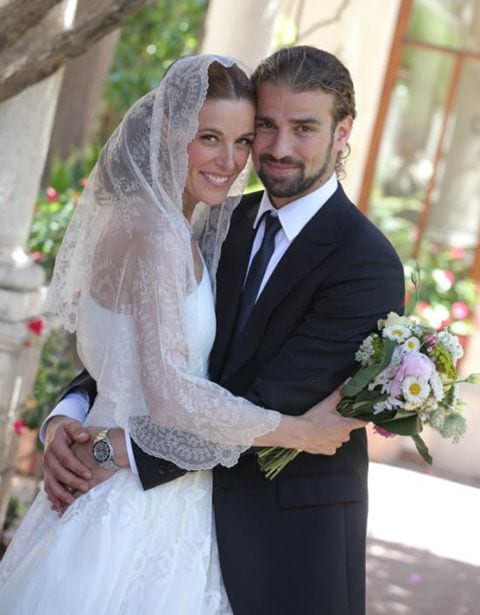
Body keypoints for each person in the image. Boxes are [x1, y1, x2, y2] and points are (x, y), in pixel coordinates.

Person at [35, 47, 405, 614]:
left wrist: (112, 450)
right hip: (167, 523)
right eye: (265, 128)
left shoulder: (365, 262)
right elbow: (145, 356)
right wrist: (70, 419)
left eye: (304, 128)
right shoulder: (218, 220)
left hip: (279, 542)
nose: (277, 149)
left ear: (342, 131)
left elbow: (262, 401)